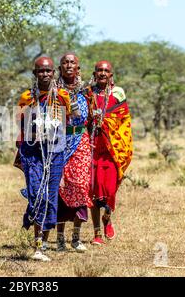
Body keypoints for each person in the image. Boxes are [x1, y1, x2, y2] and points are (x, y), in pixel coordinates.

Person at [17, 56, 70, 261]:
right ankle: (36, 235)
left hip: (55, 151)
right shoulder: (27, 97)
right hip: (33, 152)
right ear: (35, 74)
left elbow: (72, 120)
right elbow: (19, 124)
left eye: (48, 71)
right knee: (36, 194)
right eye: (41, 71)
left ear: (54, 73)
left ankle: (41, 245)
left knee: (49, 197)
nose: (45, 74)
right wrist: (34, 129)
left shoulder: (63, 96)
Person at [85, 60, 133, 245]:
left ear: (111, 75)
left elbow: (124, 120)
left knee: (110, 189)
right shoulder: (88, 93)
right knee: (93, 191)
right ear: (95, 73)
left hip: (112, 147)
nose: (103, 73)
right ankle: (97, 233)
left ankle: (108, 217)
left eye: (106, 71)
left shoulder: (118, 93)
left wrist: (107, 124)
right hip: (92, 145)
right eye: (99, 70)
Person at [55, 53, 93, 252]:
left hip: (81, 142)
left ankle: (76, 238)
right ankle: (60, 238)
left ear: (78, 67)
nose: (69, 65)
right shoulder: (54, 90)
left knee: (80, 185)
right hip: (60, 142)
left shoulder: (86, 91)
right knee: (59, 188)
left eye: (72, 62)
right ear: (60, 67)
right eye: (65, 62)